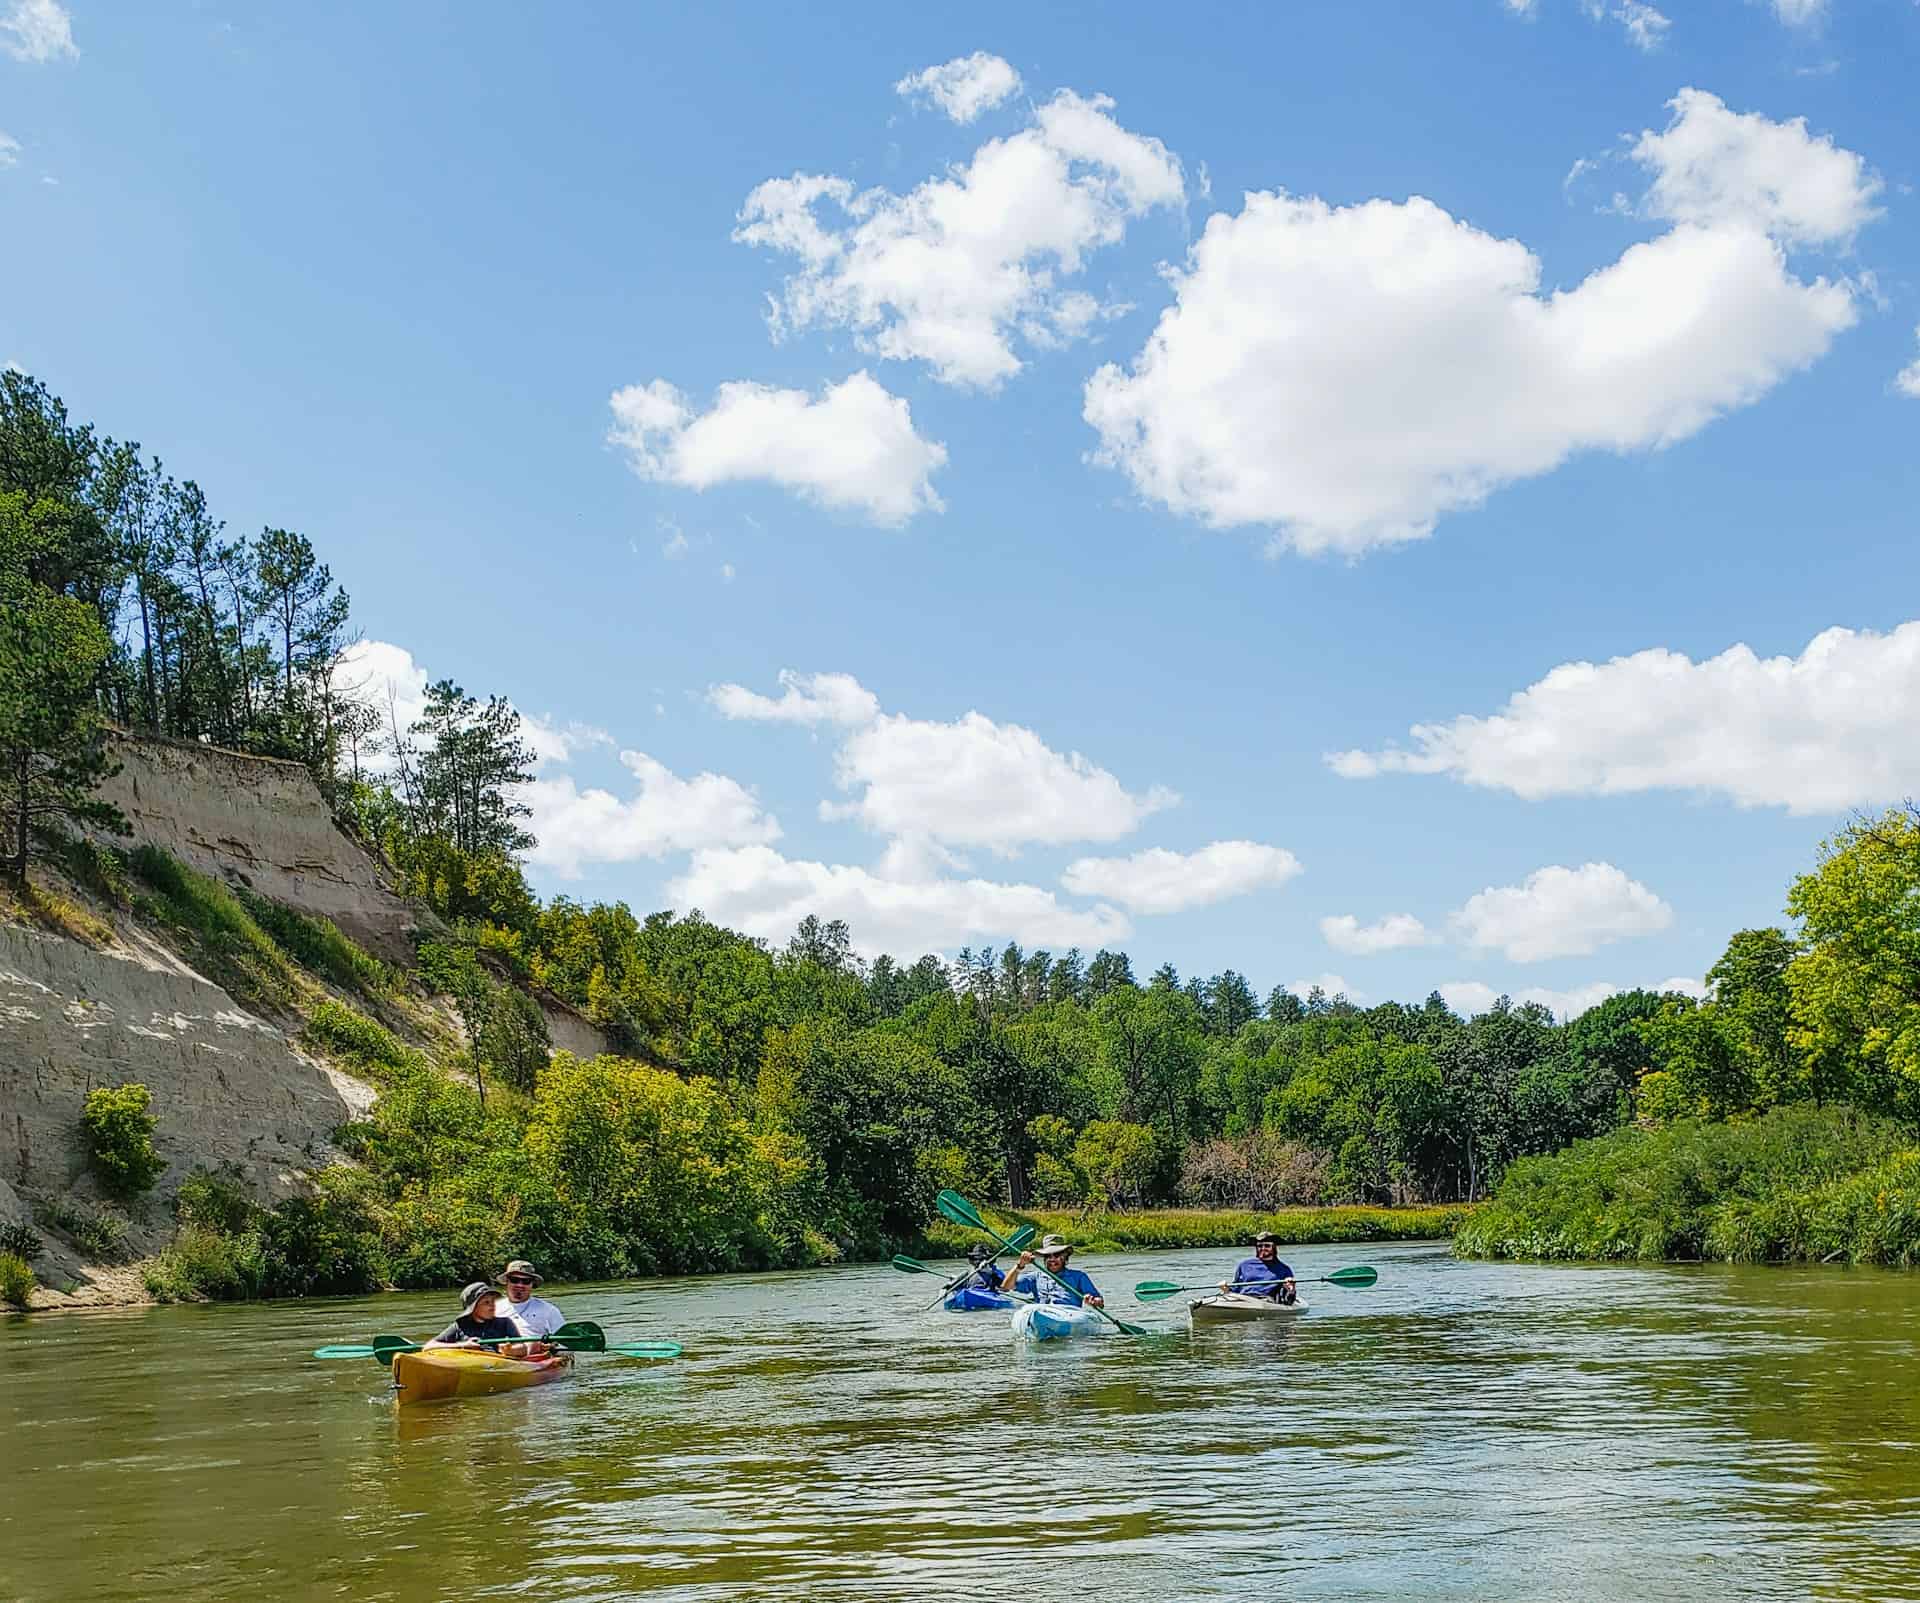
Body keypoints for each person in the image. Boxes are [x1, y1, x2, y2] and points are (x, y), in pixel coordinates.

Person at [426, 1282, 540, 1355]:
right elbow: (428, 1346)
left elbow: (523, 1348)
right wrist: (462, 1345)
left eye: (493, 1302)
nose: (493, 1306)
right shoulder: (460, 1325)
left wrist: (510, 1350)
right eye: (486, 1303)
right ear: (473, 1308)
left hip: (498, 1365)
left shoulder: (504, 1323)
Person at [1000, 1234, 1103, 1308]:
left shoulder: (1079, 1276)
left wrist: (1094, 1301)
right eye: (1048, 1256)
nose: (1052, 1259)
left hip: (1068, 1314)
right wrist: (1020, 1265)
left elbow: (1100, 1302)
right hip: (1042, 1313)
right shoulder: (1035, 1277)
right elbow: (1006, 1287)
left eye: (1057, 1255)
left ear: (1064, 1257)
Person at [497, 1259, 566, 1338]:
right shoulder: (493, 1309)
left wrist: (551, 1346)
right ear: (507, 1281)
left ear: (532, 1284)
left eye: (526, 1281)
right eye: (514, 1280)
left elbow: (564, 1342)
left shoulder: (549, 1310)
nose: (520, 1285)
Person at [1222, 1231, 1296, 1304]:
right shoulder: (1244, 1265)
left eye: (1267, 1246)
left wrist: (1291, 1289)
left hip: (1265, 1301)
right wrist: (1226, 1288)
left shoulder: (1284, 1269)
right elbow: (1236, 1288)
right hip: (1242, 1298)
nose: (1263, 1248)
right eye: (1260, 1246)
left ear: (1274, 1247)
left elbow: (1288, 1300)